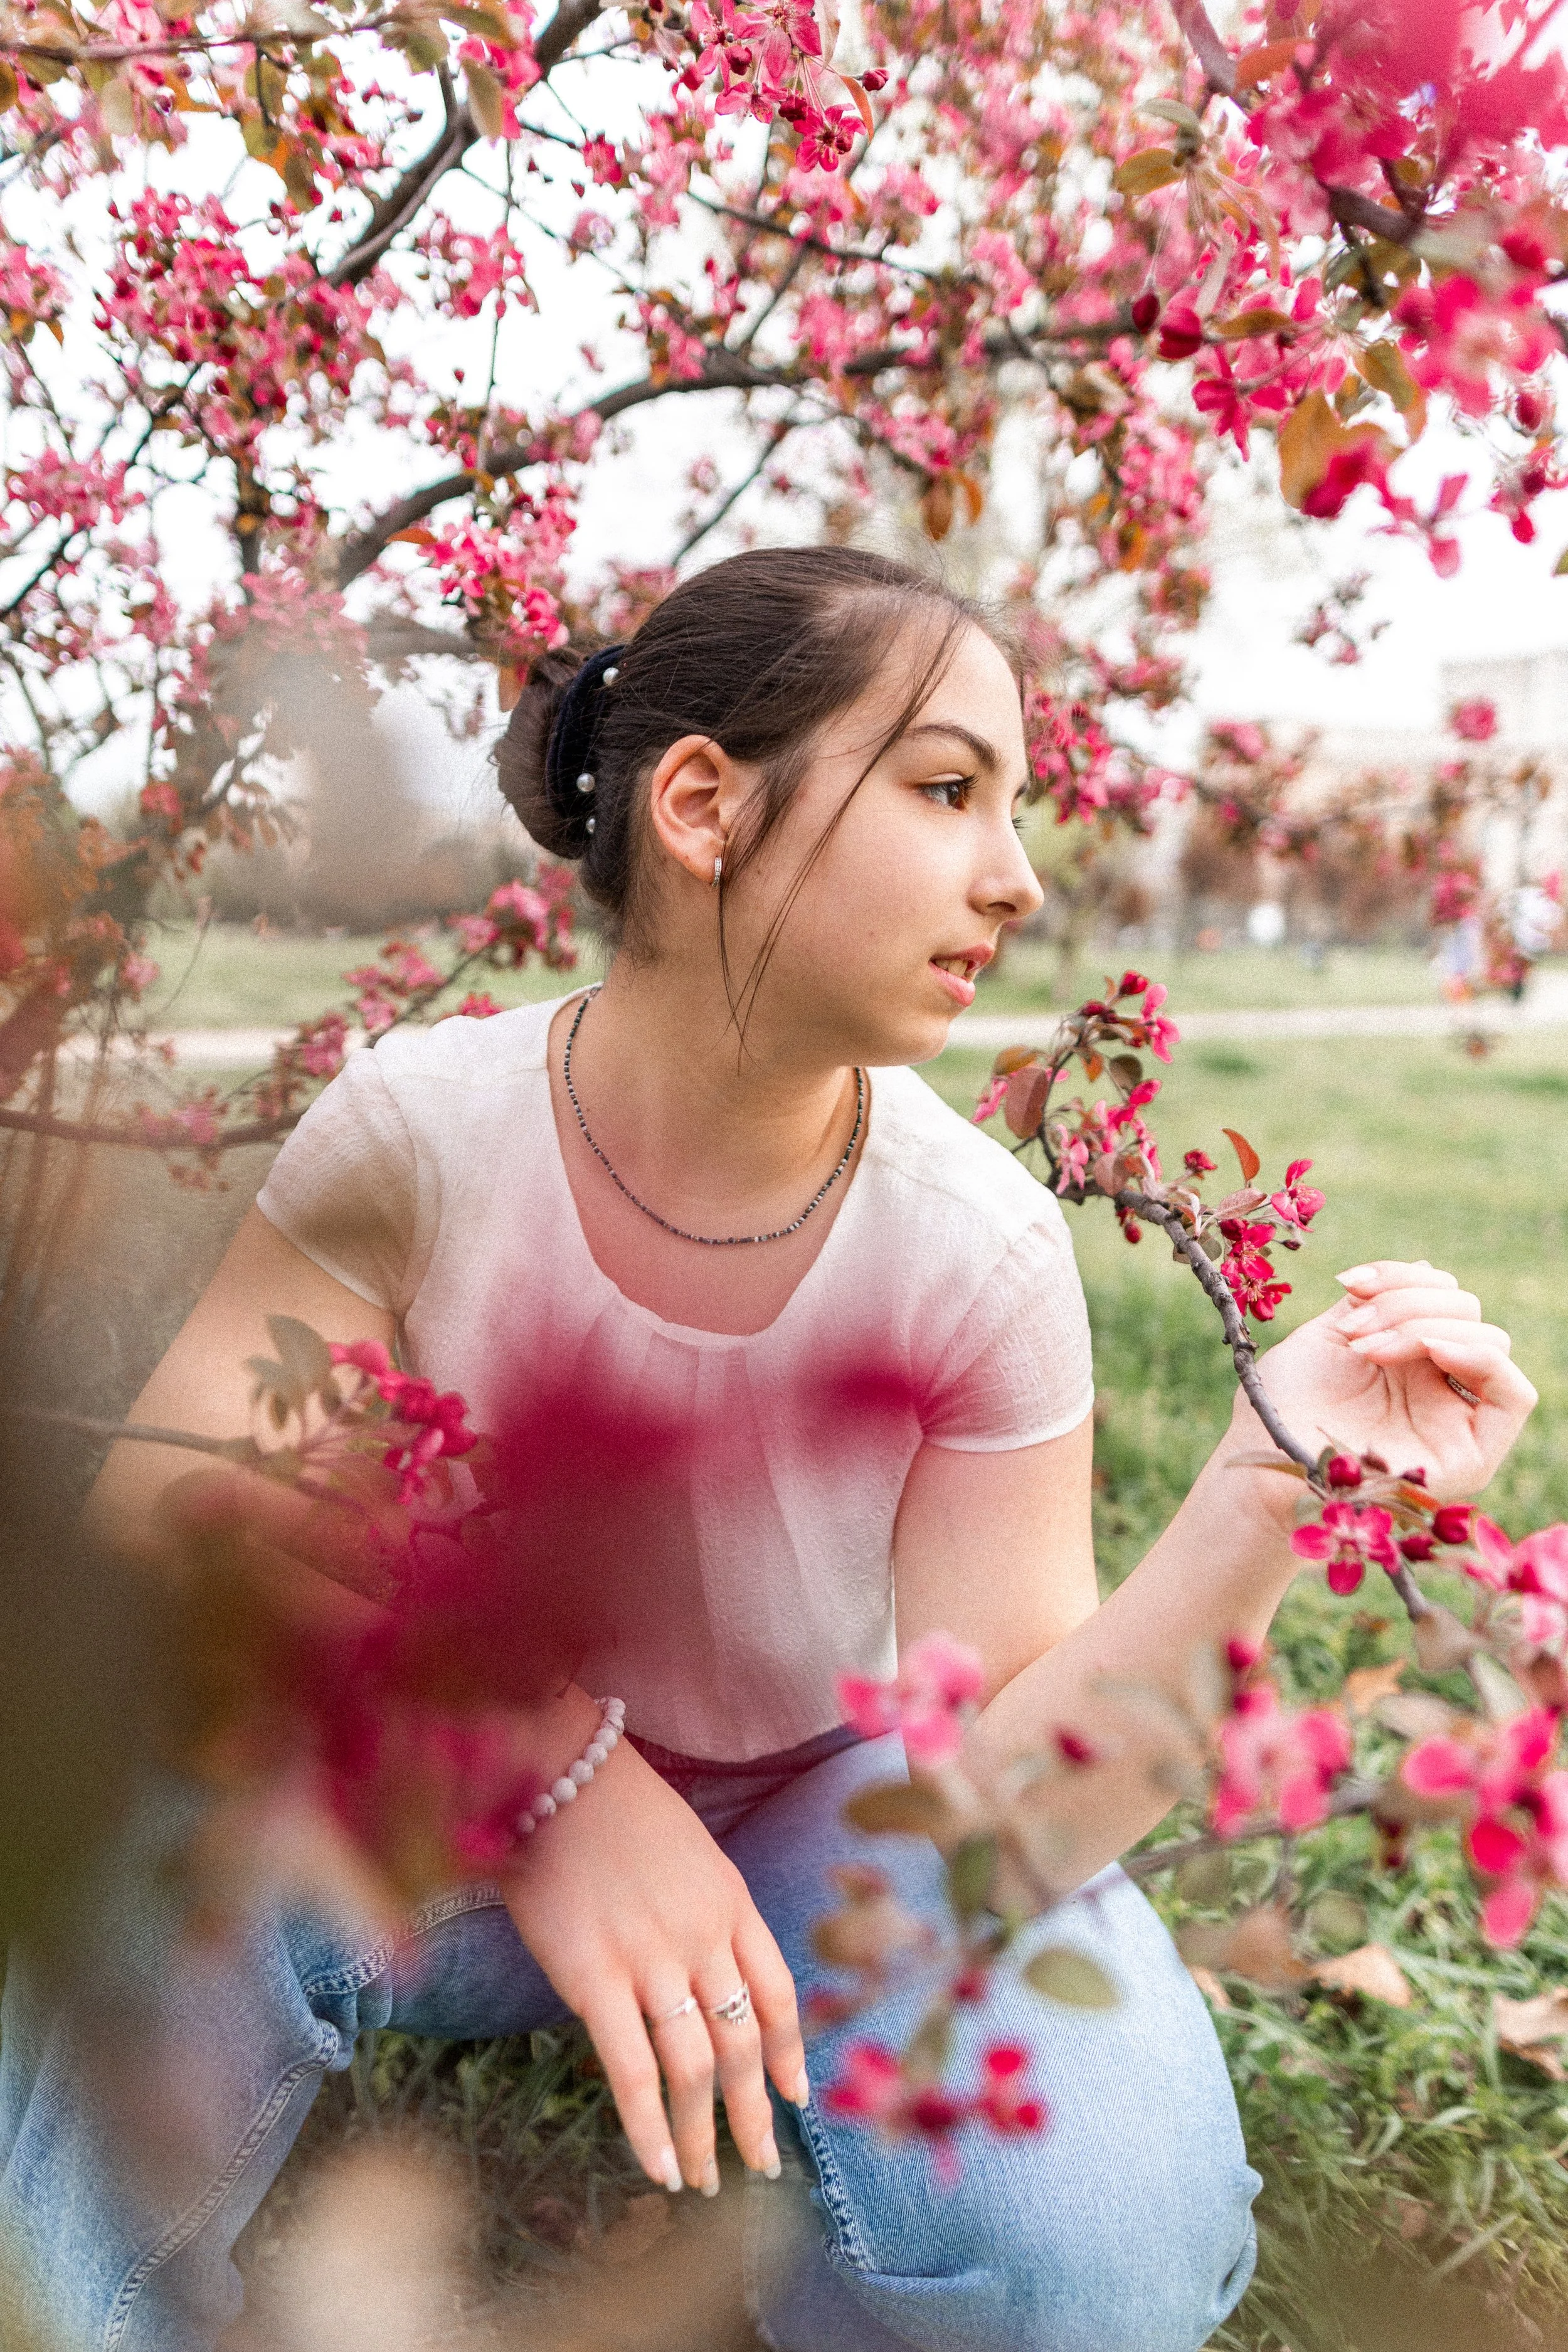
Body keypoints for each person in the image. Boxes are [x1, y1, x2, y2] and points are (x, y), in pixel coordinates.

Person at [0, 548, 1535, 2352]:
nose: (1014, 877)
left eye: (1017, 809)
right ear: (706, 802)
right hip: (425, 1810)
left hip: (827, 1832)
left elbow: (1006, 1809)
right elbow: (177, 1516)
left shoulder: (977, 1246)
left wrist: (1271, 1484)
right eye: (949, 788)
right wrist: (556, 1773)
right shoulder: (419, 1134)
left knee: (1107, 2248)